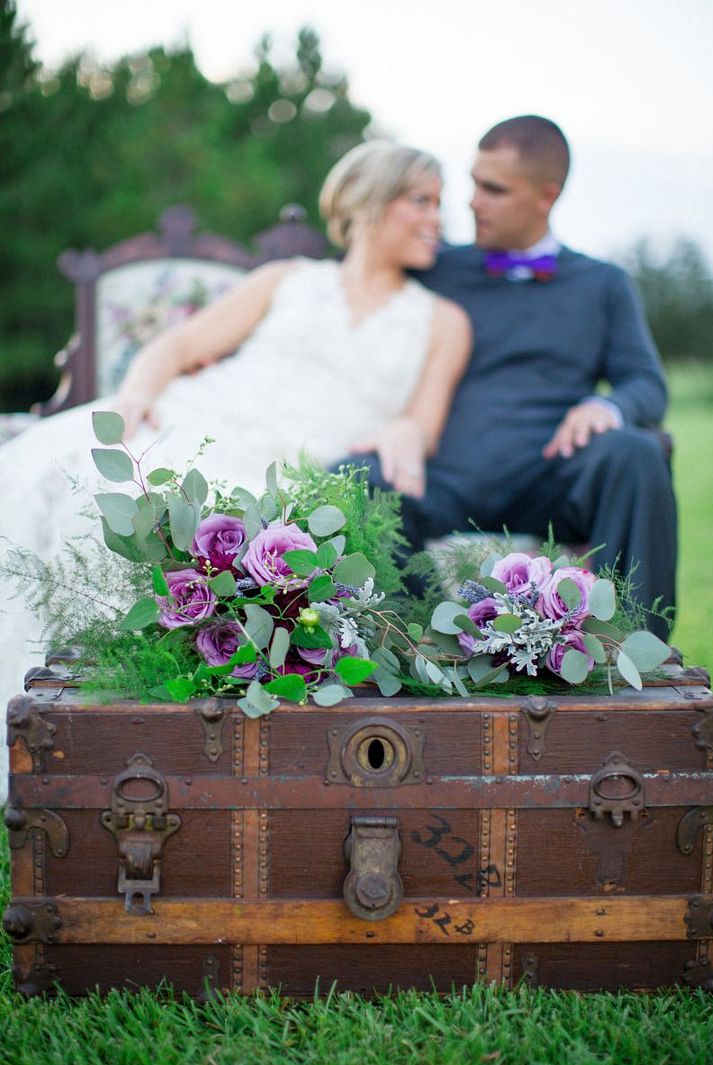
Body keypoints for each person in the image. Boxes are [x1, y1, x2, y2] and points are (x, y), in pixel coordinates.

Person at [0, 141, 471, 790]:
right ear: (368, 204)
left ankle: (108, 753)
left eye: (439, 204)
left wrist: (404, 430)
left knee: (179, 526)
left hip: (282, 465)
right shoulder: (288, 280)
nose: (437, 219)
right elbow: (181, 344)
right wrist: (137, 396)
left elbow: (424, 423)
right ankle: (36, 732)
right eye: (421, 200)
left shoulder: (443, 319)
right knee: (61, 478)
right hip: (193, 421)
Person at [340, 115, 676, 641]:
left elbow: (647, 384)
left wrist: (604, 407)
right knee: (357, 476)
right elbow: (359, 285)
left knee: (635, 453)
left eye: (493, 189)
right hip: (441, 478)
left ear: (546, 195)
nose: (473, 201)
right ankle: (405, 656)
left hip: (550, 478)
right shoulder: (437, 266)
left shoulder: (603, 285)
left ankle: (639, 653)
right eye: (473, 183)